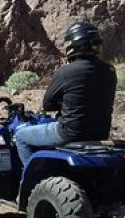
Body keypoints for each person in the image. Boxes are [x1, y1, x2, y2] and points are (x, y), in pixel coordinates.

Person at [13, 21, 117, 165]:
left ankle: (30, 179)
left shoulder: (66, 72)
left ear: (72, 46)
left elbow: (48, 104)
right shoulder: (110, 71)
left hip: (69, 133)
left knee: (21, 136)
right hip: (100, 133)